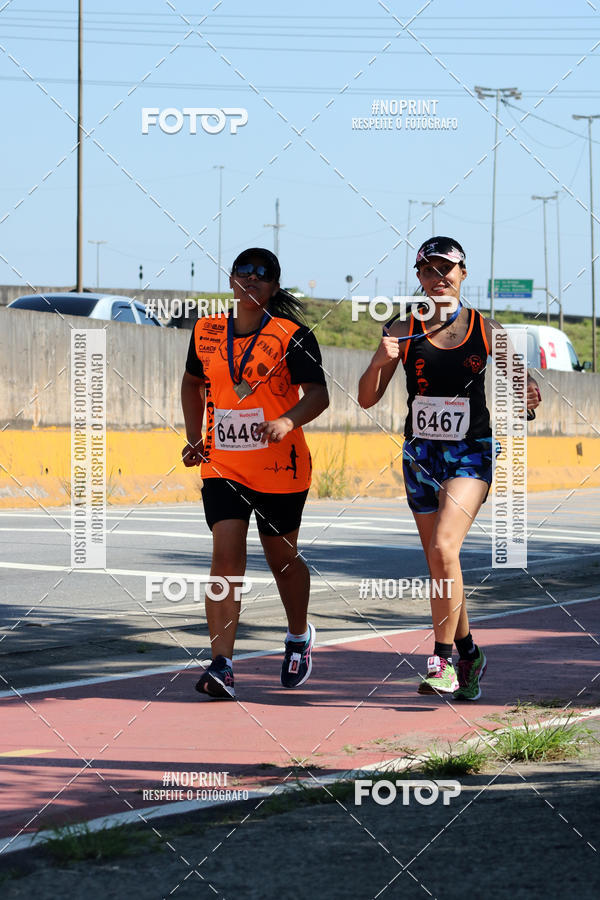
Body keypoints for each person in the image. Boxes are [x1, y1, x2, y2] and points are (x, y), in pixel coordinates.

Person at [358, 237, 541, 700]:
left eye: (447, 270)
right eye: (429, 271)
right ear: (418, 277)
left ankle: (439, 660)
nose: (438, 279)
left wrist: (527, 393)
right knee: (441, 562)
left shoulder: (486, 328)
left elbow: (522, 382)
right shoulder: (401, 327)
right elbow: (365, 397)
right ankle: (470, 653)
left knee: (444, 546)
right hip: (420, 456)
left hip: (470, 452)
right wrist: (381, 360)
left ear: (463, 274)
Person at [181, 248, 329, 700]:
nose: (251, 279)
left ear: (274, 287)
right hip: (222, 464)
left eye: (262, 275)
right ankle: (222, 663)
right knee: (226, 557)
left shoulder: (292, 336)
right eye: (244, 271)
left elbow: (319, 395)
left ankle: (299, 637)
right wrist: (194, 435)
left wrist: (287, 420)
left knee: (282, 559)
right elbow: (192, 383)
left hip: (280, 468)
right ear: (231, 279)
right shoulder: (206, 330)